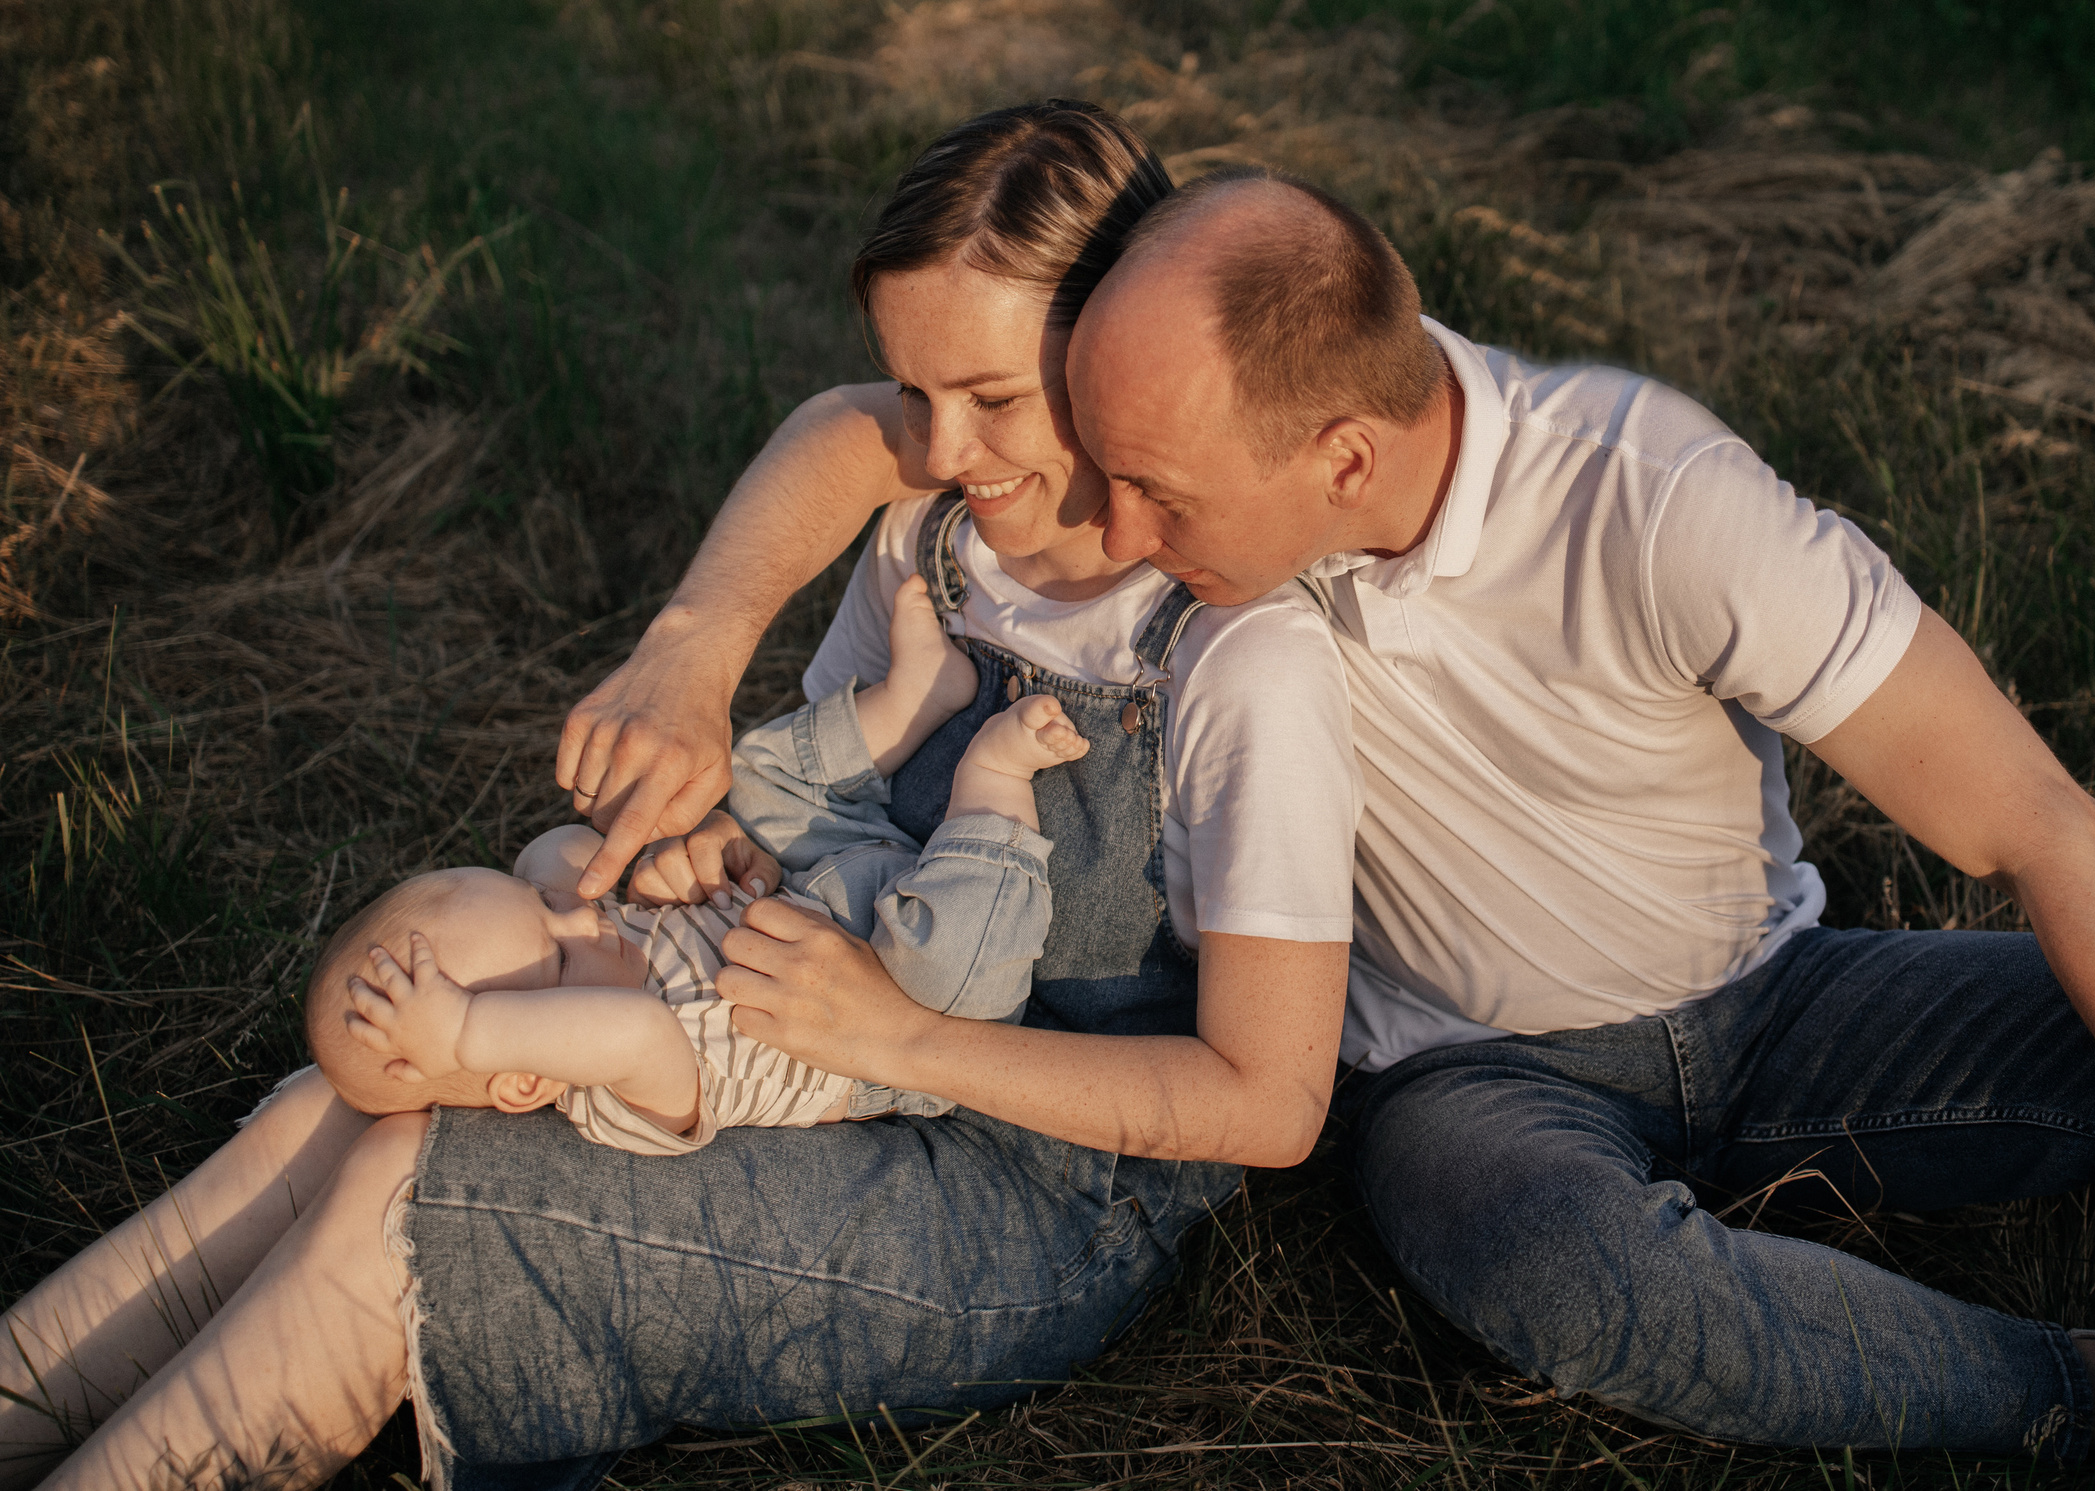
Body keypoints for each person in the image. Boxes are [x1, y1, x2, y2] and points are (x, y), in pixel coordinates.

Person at [558, 165, 2095, 1491]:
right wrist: (699, 642)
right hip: (1468, 1081)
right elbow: (882, 428)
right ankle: (2073, 1386)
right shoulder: (1223, 398)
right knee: (1556, 1260)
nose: (1102, 521)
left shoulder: (1660, 502)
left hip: (1779, 999)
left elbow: (2048, 828)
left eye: (1156, 492)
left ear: (1342, 464)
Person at [0, 101, 1358, 1491]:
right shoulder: (933, 541)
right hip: (798, 1052)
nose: (942, 444)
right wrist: (721, 856)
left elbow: (1268, 1103)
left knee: (421, 1198)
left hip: (1036, 1186)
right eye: (913, 392)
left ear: (1121, 353)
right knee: (357, 1106)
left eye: (993, 397)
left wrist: (901, 1036)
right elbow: (821, 798)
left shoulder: (1239, 662)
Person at [310, 594, 1095, 1153]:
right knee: (953, 966)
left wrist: (587, 877)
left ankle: (920, 696)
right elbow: (637, 1030)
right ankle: (993, 784)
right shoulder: (620, 1091)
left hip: (815, 882)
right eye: (555, 951)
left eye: (543, 906)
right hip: (903, 1017)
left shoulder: (597, 949)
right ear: (521, 1074)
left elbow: (555, 854)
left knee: (753, 782)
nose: (583, 916)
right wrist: (462, 1031)